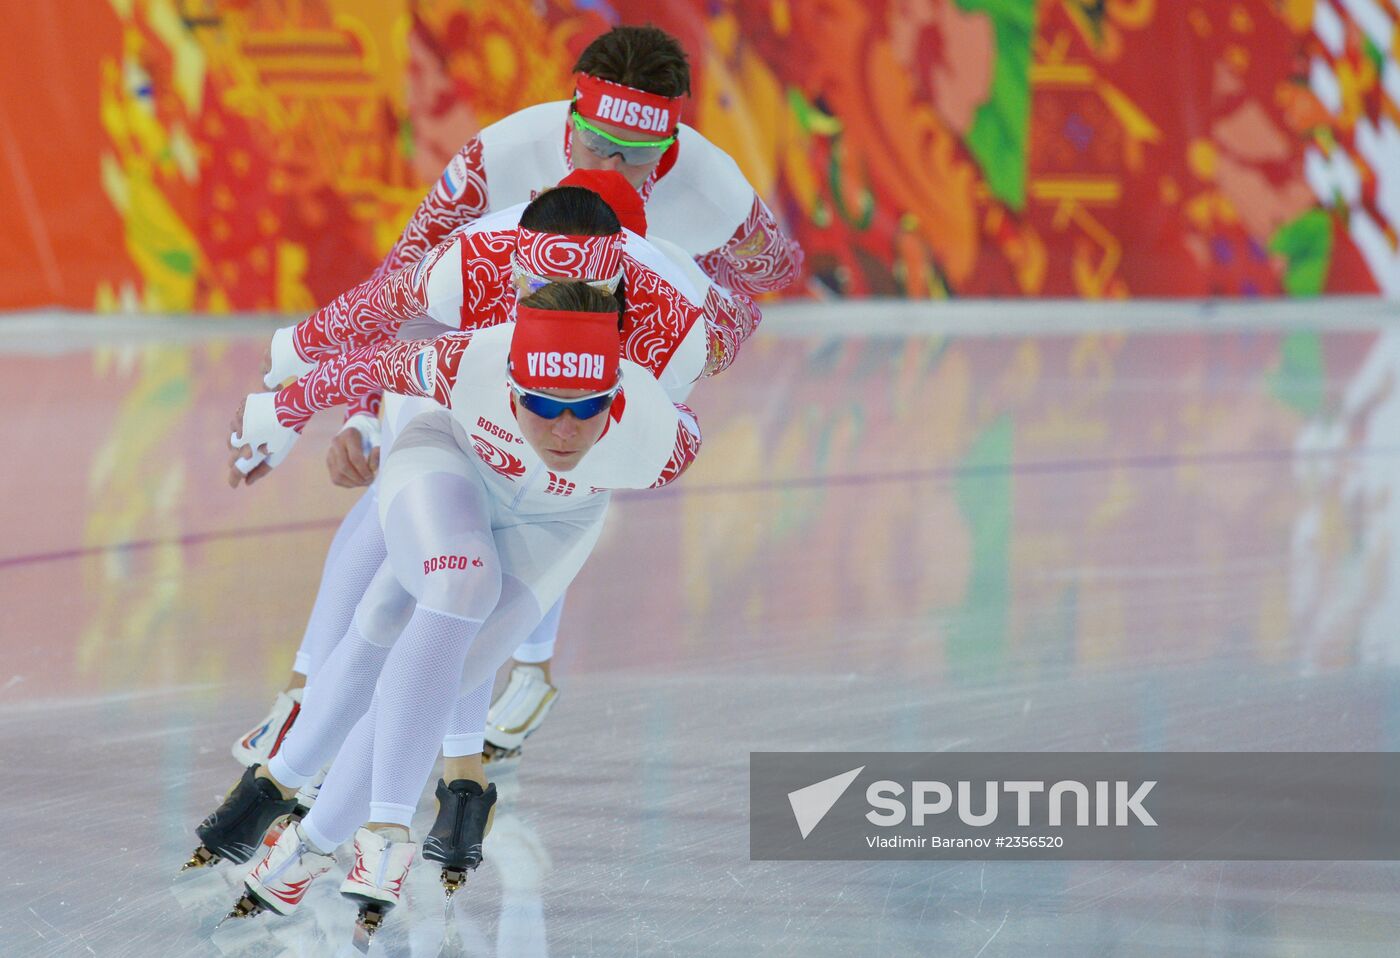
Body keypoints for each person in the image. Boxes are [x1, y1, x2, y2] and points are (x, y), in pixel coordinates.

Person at [232, 23, 801, 769]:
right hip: (499, 319)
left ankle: (494, 681)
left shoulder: (715, 189)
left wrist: (694, 334)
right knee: (419, 471)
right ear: (569, 124)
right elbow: (396, 284)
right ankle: (309, 697)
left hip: (623, 342)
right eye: (596, 148)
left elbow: (771, 273)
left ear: (669, 151)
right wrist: (362, 415)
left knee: (551, 480)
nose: (613, 171)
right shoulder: (495, 160)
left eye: (638, 159)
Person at [220, 281, 701, 933]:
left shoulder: (660, 439)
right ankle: (380, 826)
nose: (562, 431)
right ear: (510, 383)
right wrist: (278, 413)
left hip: (554, 524)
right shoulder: (467, 360)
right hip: (452, 466)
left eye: (585, 410)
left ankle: (304, 842)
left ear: (616, 397)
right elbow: (362, 363)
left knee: (445, 668)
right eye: (540, 404)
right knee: (455, 589)